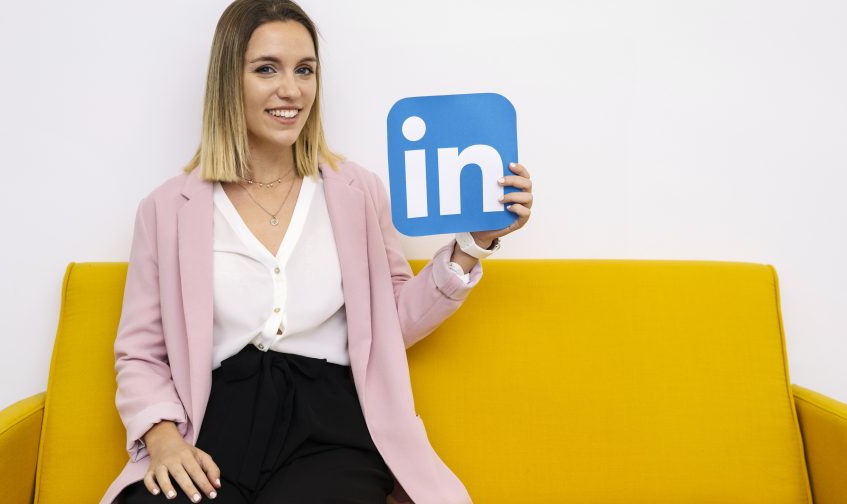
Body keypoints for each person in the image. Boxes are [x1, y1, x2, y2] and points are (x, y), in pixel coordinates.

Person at [99, 1, 533, 503]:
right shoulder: (167, 208)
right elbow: (140, 353)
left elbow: (390, 323)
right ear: (228, 80)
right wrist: (165, 441)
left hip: (329, 431)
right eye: (267, 69)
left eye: (305, 70)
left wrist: (473, 244)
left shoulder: (356, 191)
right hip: (213, 429)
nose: (292, 89)